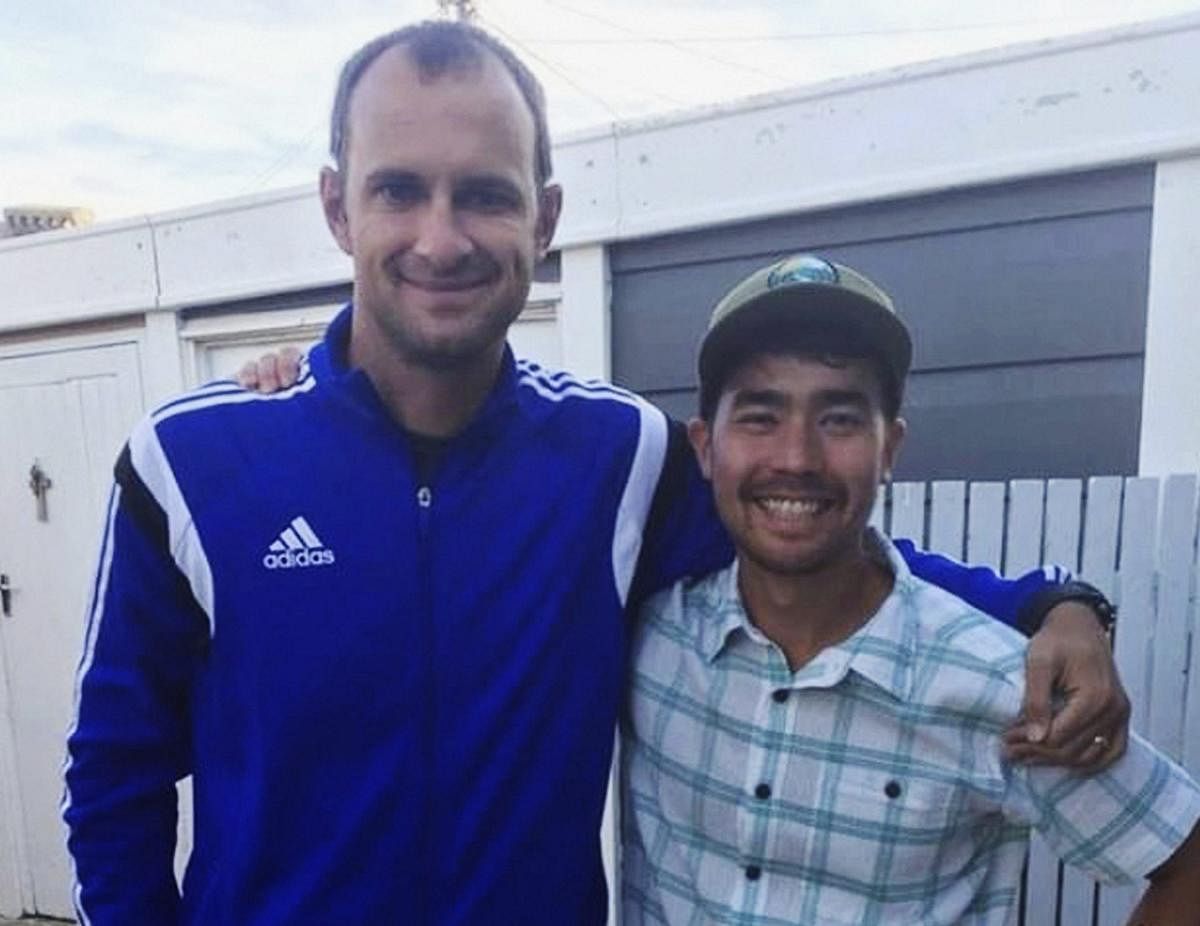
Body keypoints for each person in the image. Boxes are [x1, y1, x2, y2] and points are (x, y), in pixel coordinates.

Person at [64, 21, 1126, 925]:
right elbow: (116, 776)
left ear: (547, 216)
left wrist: (1055, 603)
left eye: (484, 194)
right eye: (401, 190)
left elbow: (818, 543)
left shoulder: (615, 458)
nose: (442, 238)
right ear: (341, 208)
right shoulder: (195, 461)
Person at [620, 253, 1200, 925]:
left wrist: (1064, 606)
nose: (797, 458)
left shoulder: (1001, 685)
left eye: (838, 419)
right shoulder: (649, 637)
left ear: (889, 447)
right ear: (703, 446)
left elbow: (1187, 858)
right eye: (759, 416)